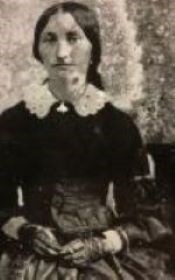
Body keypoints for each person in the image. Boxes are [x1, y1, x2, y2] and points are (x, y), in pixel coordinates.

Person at [0, 2, 172, 279]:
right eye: (50, 39)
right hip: (31, 256)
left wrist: (102, 243)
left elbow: (145, 214)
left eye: (73, 38)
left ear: (93, 48)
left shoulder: (118, 125)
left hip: (101, 256)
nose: (62, 52)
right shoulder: (13, 122)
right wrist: (26, 231)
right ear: (37, 51)